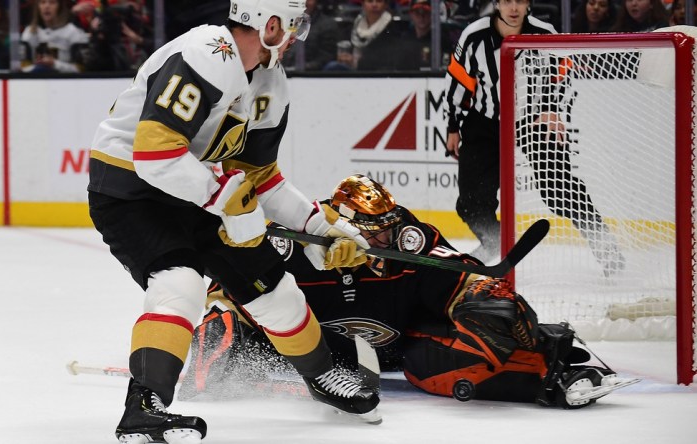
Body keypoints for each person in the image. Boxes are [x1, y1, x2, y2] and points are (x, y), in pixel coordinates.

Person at [87, 2, 381, 442]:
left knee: (276, 292)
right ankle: (143, 406)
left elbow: (262, 180)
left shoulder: (270, 81)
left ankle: (322, 378)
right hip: (131, 189)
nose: (298, 33)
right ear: (270, 22)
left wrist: (320, 226)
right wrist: (223, 199)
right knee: (179, 283)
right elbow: (154, 154)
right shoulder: (206, 53)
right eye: (293, 22)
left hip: (200, 191)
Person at [181, 175, 633, 409]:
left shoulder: (408, 239)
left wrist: (483, 294)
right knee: (228, 321)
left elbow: (464, 277)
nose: (387, 239)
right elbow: (225, 290)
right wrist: (218, 326)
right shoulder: (290, 246)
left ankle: (553, 372)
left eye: (389, 227)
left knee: (464, 351)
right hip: (309, 352)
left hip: (401, 348)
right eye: (374, 233)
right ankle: (203, 374)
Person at [444, 0, 555, 263]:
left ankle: (604, 244)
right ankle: (497, 243)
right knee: (470, 202)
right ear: (496, 4)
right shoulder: (474, 36)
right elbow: (458, 84)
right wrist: (453, 126)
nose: (513, 8)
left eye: (519, 0)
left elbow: (562, 75)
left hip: (534, 120)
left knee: (558, 189)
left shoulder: (545, 34)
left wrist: (554, 109)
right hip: (486, 123)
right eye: (506, 1)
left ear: (528, 3)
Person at [20, 0, 90, 73]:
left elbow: (81, 69)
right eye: (42, 2)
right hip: (35, 80)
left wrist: (54, 64)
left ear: (60, 7)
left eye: (52, 2)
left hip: (65, 80)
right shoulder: (29, 32)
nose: (46, 6)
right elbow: (23, 67)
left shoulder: (74, 32)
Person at [350, 0, 415, 71]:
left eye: (379, 1)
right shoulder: (353, 27)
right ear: (363, 4)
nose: (374, 5)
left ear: (386, 5)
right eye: (370, 1)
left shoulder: (393, 30)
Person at [283, 0, 338, 71]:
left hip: (313, 76)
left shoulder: (327, 25)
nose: (304, 2)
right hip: (284, 73)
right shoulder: (283, 22)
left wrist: (300, 69)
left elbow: (326, 58)